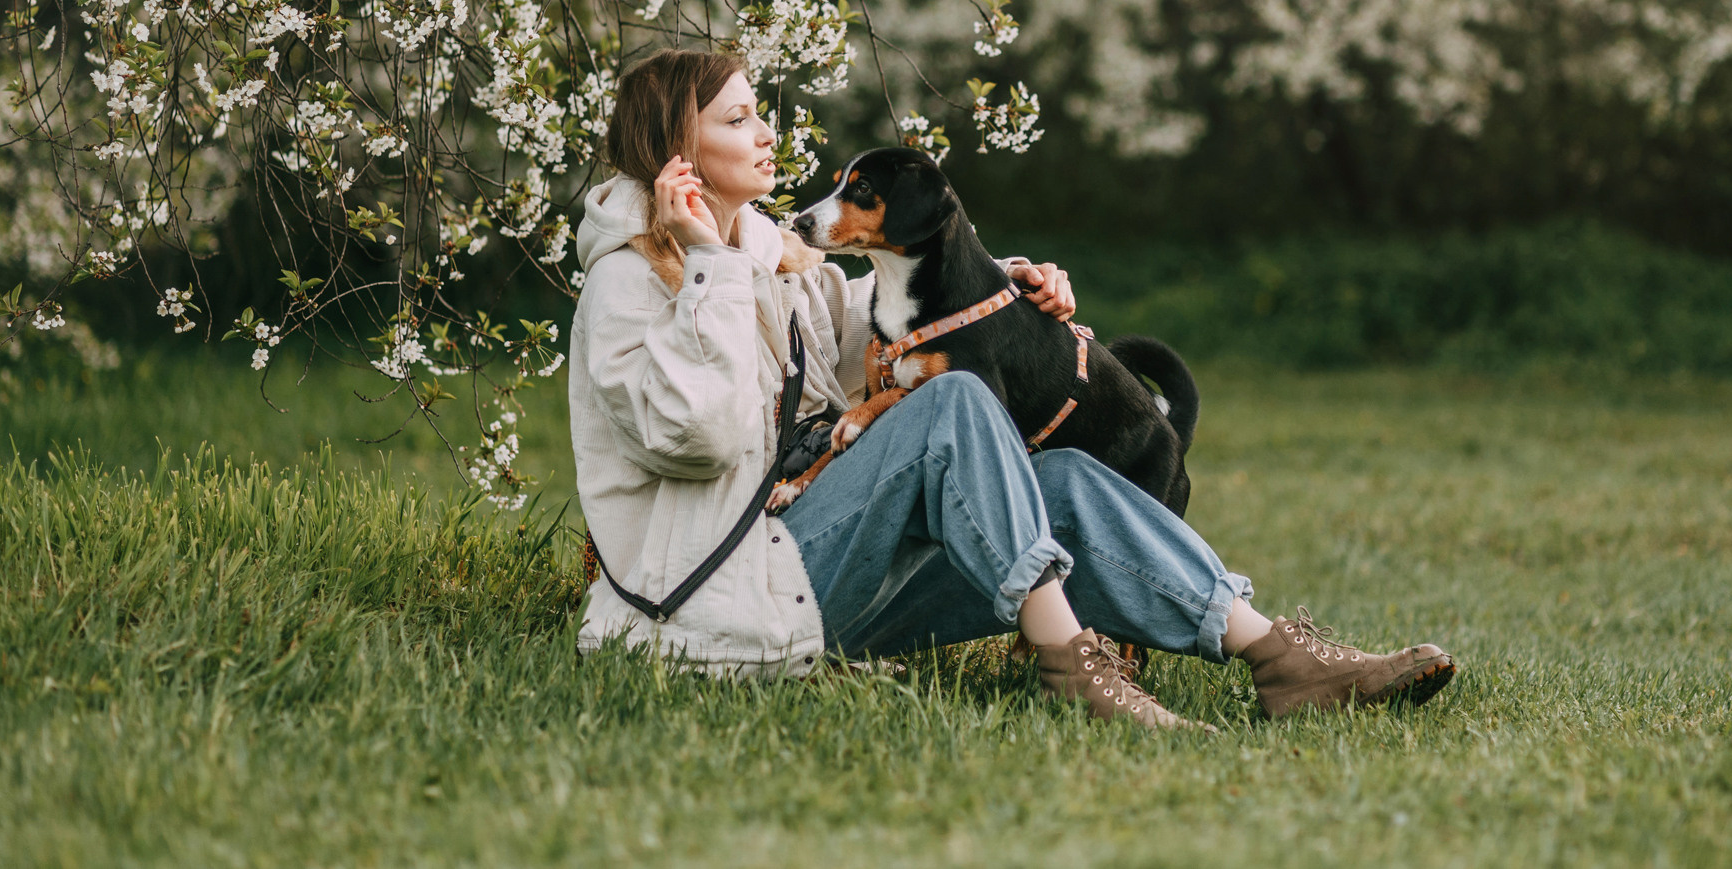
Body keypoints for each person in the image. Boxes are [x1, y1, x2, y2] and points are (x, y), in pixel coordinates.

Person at [569, 49, 1457, 727]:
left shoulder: (769, 258)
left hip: (802, 574)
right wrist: (712, 269)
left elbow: (874, 330)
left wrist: (1002, 292)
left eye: (761, 113)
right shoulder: (629, 285)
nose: (767, 134)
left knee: (1059, 482)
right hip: (717, 607)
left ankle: (1280, 660)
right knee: (956, 402)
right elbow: (703, 439)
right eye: (738, 120)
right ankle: (1074, 661)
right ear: (679, 152)